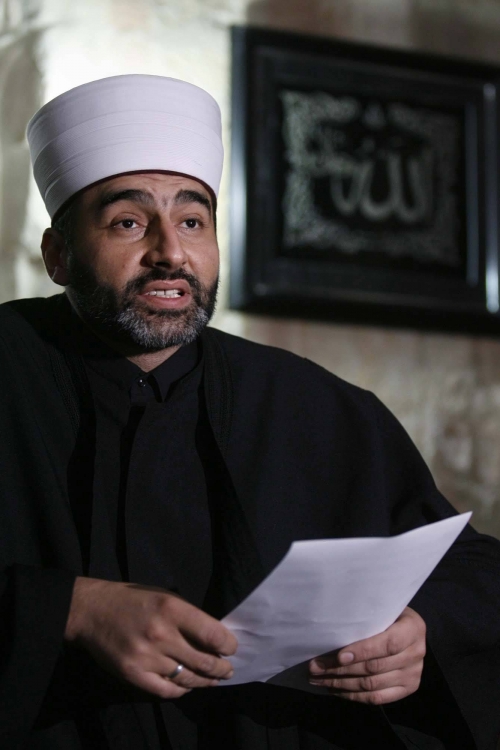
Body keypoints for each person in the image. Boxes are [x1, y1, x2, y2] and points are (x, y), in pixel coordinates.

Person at [0, 74, 498, 750]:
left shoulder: (313, 404)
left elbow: (472, 567)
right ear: (58, 256)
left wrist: (422, 629)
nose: (170, 253)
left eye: (192, 222)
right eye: (128, 222)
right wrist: (70, 609)